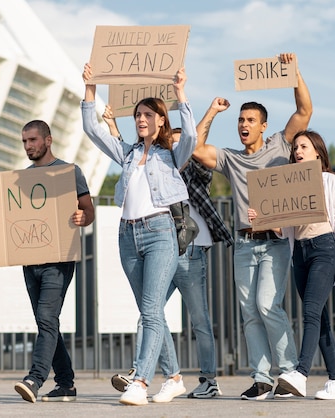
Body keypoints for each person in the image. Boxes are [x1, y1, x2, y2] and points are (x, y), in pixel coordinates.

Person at [192, 53, 313, 400]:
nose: (244, 125)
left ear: (263, 125)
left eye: (250, 120)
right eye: (241, 120)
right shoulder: (230, 158)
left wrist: (294, 73)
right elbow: (196, 148)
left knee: (267, 305)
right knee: (248, 312)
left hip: (274, 243)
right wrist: (213, 111)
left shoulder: (279, 144)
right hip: (244, 244)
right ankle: (261, 378)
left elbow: (304, 112)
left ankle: (289, 373)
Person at [81, 63, 196, 406]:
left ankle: (141, 381)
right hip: (128, 236)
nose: (141, 119)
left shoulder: (172, 155)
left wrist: (180, 93)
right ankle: (174, 378)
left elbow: (190, 136)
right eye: (137, 115)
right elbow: (92, 128)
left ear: (161, 120)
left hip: (160, 233)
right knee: (152, 313)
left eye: (147, 114)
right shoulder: (128, 154)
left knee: (149, 309)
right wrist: (90, 87)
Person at [102, 108, 234, 400]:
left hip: (190, 252)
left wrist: (210, 112)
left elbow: (193, 138)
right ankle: (157, 374)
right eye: (169, 143)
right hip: (159, 247)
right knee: (149, 312)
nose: (172, 147)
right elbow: (128, 155)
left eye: (178, 143)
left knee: (198, 317)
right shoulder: (153, 164)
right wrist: (111, 123)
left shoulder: (192, 170)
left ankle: (209, 379)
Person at [0, 120, 95, 403]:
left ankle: (35, 378)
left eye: (32, 140)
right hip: (30, 261)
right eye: (24, 142)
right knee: (47, 322)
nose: (28, 146)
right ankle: (66, 384)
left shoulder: (69, 173)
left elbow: (88, 210)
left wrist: (82, 218)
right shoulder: (20, 180)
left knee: (45, 319)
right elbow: (5, 222)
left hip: (58, 260)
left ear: (48, 140)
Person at [248, 130, 335, 400]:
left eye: (304, 147)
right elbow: (284, 230)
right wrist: (261, 220)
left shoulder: (330, 181)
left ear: (318, 152)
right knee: (318, 318)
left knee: (310, 310)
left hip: (324, 248)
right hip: (300, 253)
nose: (297, 151)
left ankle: (301, 373)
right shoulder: (290, 185)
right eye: (295, 147)